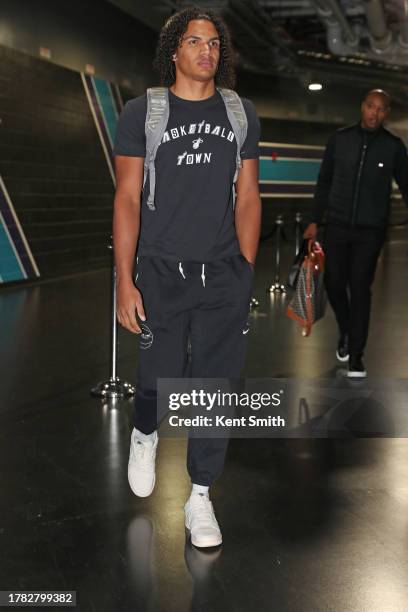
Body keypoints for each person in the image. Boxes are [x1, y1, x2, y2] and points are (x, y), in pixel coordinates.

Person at [112, 7, 261, 548]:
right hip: (160, 271)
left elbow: (247, 196)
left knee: (215, 390)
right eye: (195, 41)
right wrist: (124, 280)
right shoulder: (143, 112)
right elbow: (127, 197)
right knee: (158, 378)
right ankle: (145, 430)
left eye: (215, 44)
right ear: (173, 50)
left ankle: (199, 495)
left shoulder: (240, 114)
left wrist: (244, 267)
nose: (207, 51)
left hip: (223, 274)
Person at [304, 89, 408, 378]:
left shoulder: (394, 147)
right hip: (337, 225)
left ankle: (356, 355)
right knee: (335, 284)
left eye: (381, 109)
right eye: (371, 106)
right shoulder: (340, 140)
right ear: (362, 107)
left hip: (371, 231)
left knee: (360, 288)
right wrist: (314, 219)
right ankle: (347, 331)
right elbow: (324, 181)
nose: (375, 113)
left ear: (387, 113)